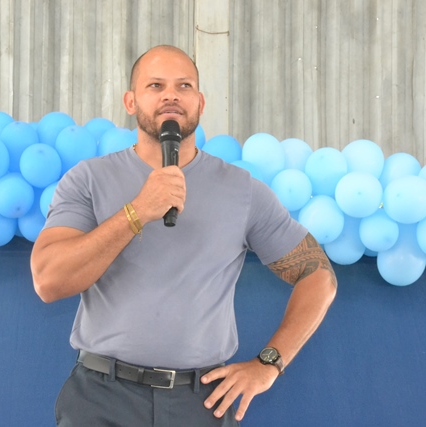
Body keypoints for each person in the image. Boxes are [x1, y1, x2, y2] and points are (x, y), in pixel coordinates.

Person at [31, 45, 337, 426]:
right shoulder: (88, 179)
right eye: (155, 85)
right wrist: (137, 211)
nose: (171, 96)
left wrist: (269, 364)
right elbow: (48, 281)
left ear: (200, 103)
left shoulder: (241, 190)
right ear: (130, 101)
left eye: (184, 86)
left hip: (201, 403)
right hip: (102, 399)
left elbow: (318, 275)